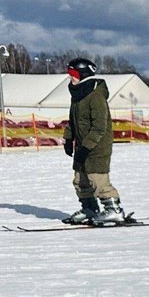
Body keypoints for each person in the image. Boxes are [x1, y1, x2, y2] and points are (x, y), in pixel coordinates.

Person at [61, 58, 126, 225]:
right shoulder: (77, 94)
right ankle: (90, 208)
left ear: (84, 74)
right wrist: (69, 139)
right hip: (82, 145)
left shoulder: (95, 95)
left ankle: (114, 210)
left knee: (98, 179)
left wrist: (86, 147)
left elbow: (99, 126)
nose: (71, 78)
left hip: (97, 145)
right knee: (80, 179)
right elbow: (72, 121)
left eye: (73, 74)